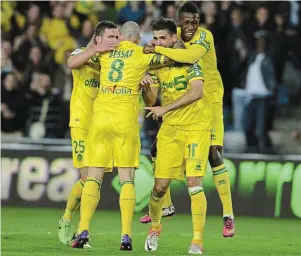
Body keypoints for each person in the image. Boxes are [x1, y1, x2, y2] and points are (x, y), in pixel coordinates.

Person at [72, 21, 170, 250]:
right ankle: (126, 236)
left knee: (93, 176)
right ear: (136, 38)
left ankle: (83, 230)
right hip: (125, 120)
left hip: (100, 118)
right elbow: (151, 100)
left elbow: (74, 61)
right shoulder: (142, 53)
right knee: (127, 179)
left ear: (120, 36)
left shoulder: (107, 50)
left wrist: (95, 47)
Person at [143, 1, 235, 237]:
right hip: (184, 107)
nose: (192, 26)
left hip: (209, 100)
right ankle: (167, 206)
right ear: (178, 23)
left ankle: (228, 215)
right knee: (155, 151)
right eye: (187, 22)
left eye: (195, 21)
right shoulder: (171, 40)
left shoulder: (204, 37)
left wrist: (157, 49)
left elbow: (191, 56)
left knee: (214, 154)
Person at [141, 17, 212, 254]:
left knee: (194, 183)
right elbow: (152, 101)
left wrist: (165, 108)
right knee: (159, 188)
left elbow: (197, 92)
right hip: (170, 130)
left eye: (163, 38)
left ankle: (197, 242)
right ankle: (155, 228)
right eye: (156, 38)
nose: (159, 42)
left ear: (174, 38)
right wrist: (145, 87)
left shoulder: (190, 59)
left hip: (196, 128)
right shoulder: (158, 64)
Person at [57, 21, 119, 246]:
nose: (116, 40)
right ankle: (67, 218)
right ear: (99, 37)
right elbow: (71, 63)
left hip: (103, 125)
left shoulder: (113, 62)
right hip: (82, 123)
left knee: (94, 181)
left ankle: (81, 231)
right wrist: (94, 50)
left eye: (118, 36)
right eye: (112, 36)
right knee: (87, 178)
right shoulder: (81, 53)